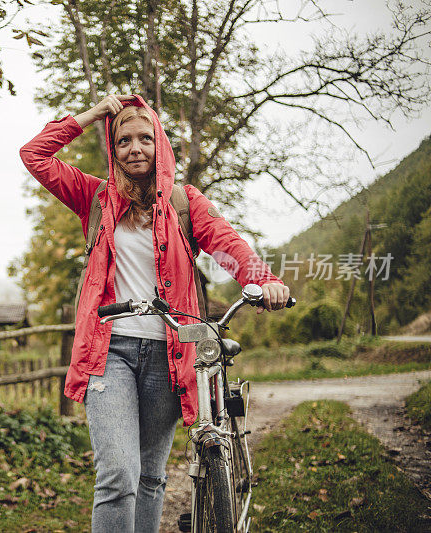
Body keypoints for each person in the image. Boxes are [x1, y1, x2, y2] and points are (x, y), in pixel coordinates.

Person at [19, 94, 290, 532]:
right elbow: (34, 154)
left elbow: (227, 243)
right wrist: (90, 116)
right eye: (124, 140)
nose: (135, 148)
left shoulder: (185, 203)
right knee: (117, 474)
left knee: (150, 476)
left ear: (159, 142)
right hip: (109, 353)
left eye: (145, 138)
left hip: (169, 352)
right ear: (114, 149)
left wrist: (264, 280)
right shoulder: (96, 197)